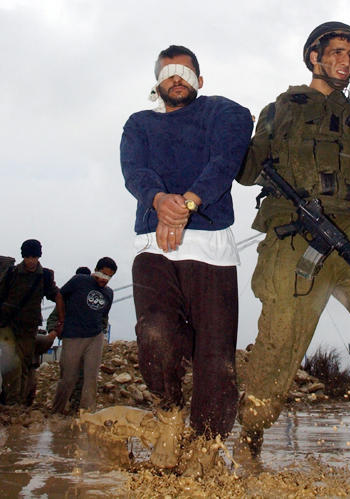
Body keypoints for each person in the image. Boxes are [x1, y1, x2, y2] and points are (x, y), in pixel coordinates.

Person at [235, 22, 350, 464]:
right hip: (294, 229)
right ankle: (252, 431)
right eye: (336, 51)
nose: (345, 61)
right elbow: (245, 172)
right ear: (313, 56)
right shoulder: (281, 108)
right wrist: (232, 130)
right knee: (283, 334)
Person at [120, 45, 253, 471]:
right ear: (157, 82)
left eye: (186, 71)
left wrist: (189, 203)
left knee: (216, 359)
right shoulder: (138, 124)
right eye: (168, 71)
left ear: (200, 79)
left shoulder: (223, 111)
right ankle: (170, 413)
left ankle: (206, 447)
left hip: (213, 251)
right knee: (155, 332)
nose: (177, 77)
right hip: (152, 247)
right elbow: (134, 171)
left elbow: (226, 157)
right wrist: (159, 200)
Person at [0, 239, 64, 405]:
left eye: (34, 257)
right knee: (11, 366)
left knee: (25, 366)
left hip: (28, 329)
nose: (31, 260)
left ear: (39, 256)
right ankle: (11, 405)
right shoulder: (11, 273)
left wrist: (61, 322)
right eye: (28, 257)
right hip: (7, 325)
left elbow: (57, 296)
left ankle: (20, 404)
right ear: (23, 256)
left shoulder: (45, 276)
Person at [52, 257, 116, 414]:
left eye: (109, 277)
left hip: (95, 337)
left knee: (91, 378)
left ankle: (86, 414)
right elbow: (60, 295)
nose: (104, 279)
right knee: (68, 377)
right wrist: (61, 320)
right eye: (103, 274)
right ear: (96, 270)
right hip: (73, 335)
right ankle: (57, 412)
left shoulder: (108, 293)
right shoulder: (80, 281)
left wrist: (101, 329)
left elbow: (103, 315)